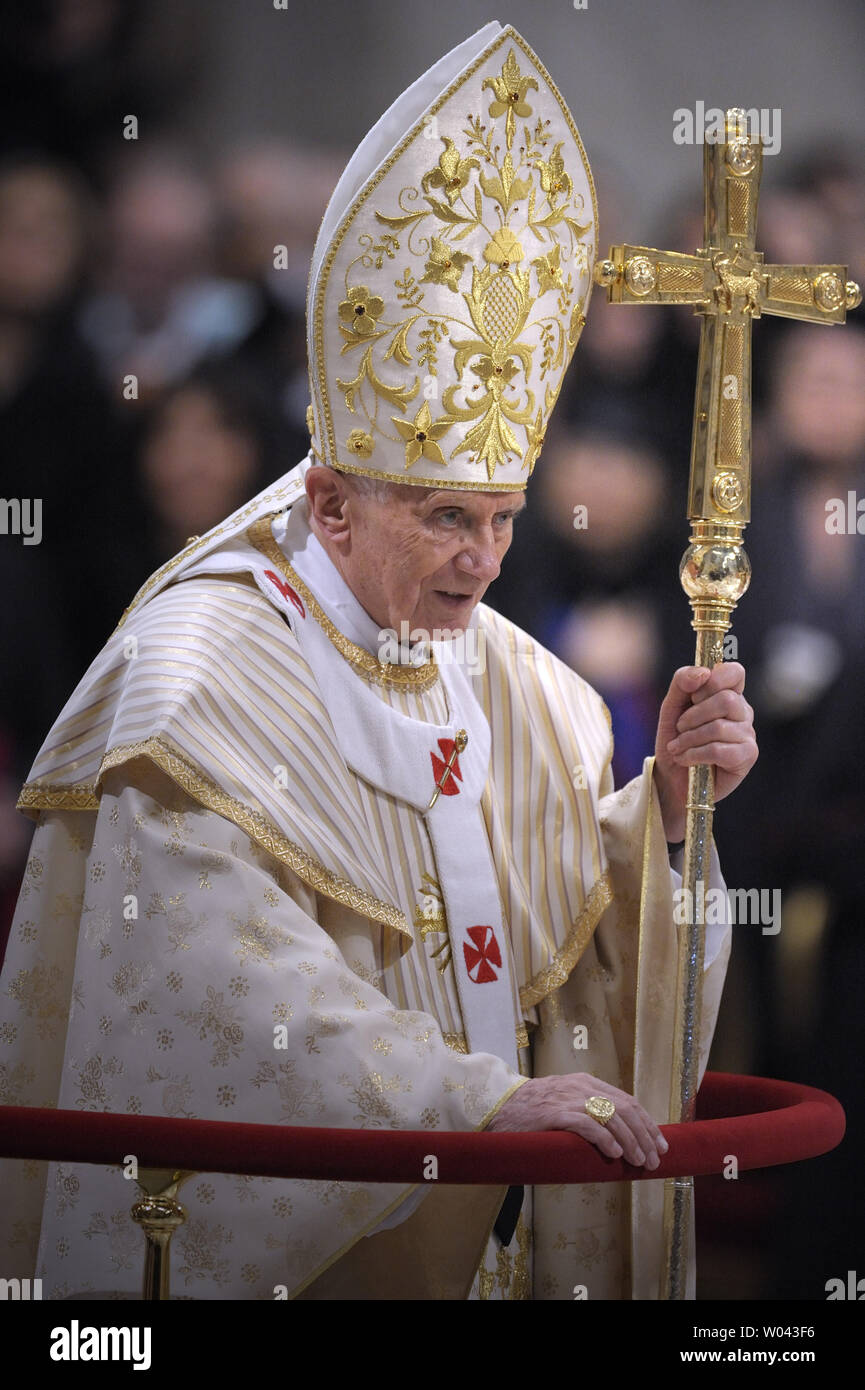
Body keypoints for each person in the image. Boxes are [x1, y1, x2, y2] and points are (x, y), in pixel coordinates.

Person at [0, 21, 756, 1301]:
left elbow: (567, 946)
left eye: (506, 519)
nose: (484, 561)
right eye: (445, 519)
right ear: (334, 504)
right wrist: (476, 1100)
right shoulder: (198, 672)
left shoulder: (526, 684)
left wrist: (670, 823)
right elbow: (223, 988)